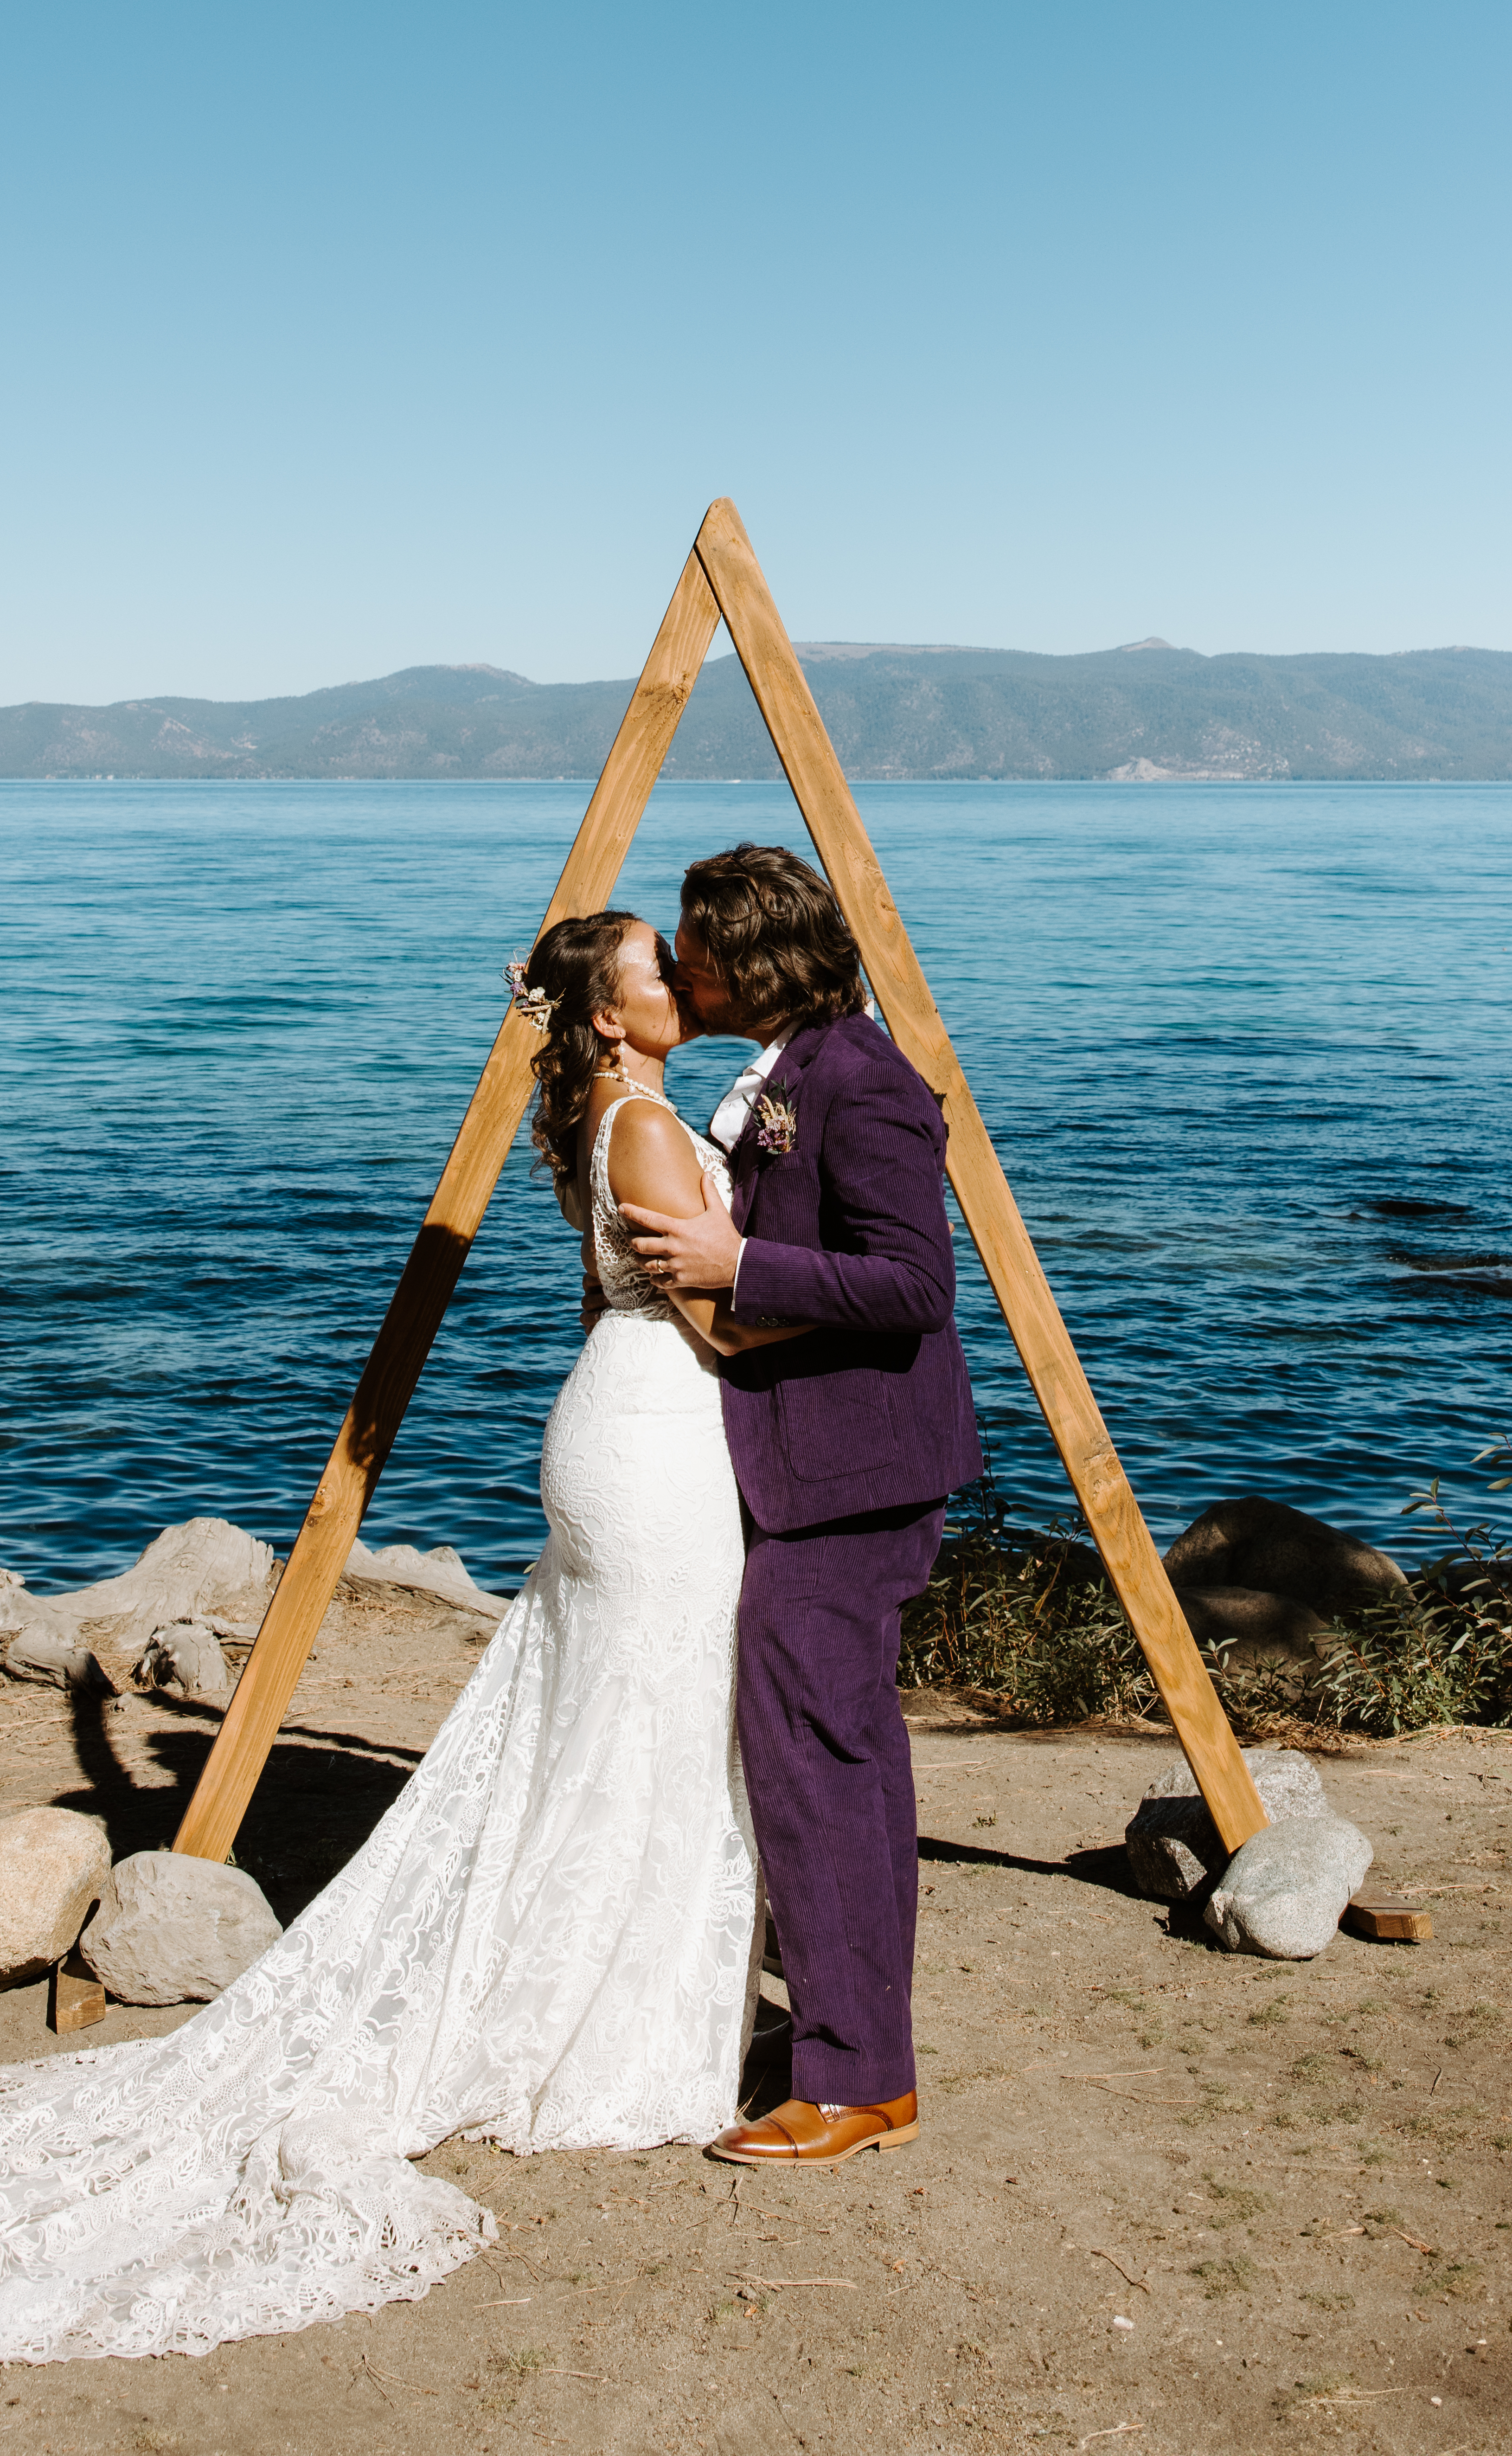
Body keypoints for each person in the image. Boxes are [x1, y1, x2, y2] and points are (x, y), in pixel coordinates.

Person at [0, 912, 775, 2364]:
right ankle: (611, 2027)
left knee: (611, 1724)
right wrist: (869, 1319)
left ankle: (596, 1988)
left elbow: (623, 1295)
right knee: (655, 1721)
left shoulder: (605, 1114)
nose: (682, 981)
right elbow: (718, 1320)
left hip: (617, 1414)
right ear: (608, 1018)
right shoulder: (653, 1130)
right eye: (656, 971)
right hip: (661, 1437)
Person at [626, 842, 982, 2168]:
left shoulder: (864, 1079)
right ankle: (851, 2040)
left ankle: (855, 2082)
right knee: (832, 1752)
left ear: (752, 956)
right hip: (812, 1464)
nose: (678, 964)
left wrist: (739, 1261)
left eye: (694, 945)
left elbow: (912, 1288)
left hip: (858, 1474)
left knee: (819, 1757)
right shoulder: (795, 1071)